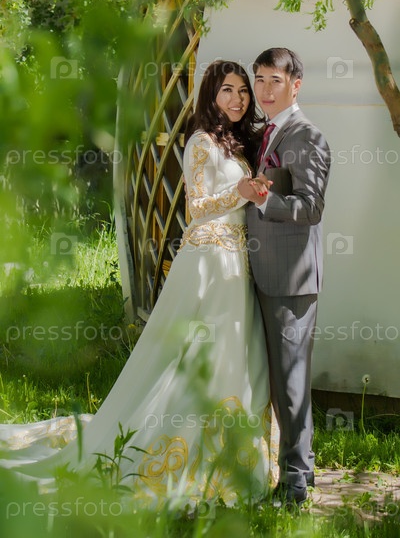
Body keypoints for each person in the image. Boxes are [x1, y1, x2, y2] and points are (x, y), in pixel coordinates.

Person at [0, 61, 278, 511]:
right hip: (209, 260)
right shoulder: (201, 142)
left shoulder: (236, 143)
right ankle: (179, 447)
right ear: (211, 94)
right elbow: (196, 207)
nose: (239, 99)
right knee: (198, 352)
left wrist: (255, 192)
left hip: (236, 261)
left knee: (234, 350)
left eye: (243, 91)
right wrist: (240, 194)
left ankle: (233, 457)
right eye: (228, 90)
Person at [238, 47, 331, 507]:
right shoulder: (266, 133)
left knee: (291, 383)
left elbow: (310, 208)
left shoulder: (306, 137)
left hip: (291, 280)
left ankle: (296, 482)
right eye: (259, 80)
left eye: (275, 80)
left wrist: (262, 200)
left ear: (296, 85)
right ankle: (293, 470)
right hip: (260, 272)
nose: (265, 90)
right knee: (274, 380)